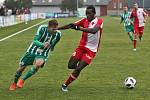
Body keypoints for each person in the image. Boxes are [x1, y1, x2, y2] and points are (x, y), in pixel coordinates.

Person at [57, 5, 103, 92]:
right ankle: (77, 71)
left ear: (94, 13)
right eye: (86, 13)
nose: (87, 15)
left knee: (78, 68)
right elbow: (71, 25)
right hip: (81, 47)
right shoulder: (84, 20)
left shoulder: (99, 21)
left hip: (91, 50)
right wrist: (57, 29)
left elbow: (94, 31)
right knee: (70, 65)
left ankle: (65, 85)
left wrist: (80, 28)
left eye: (89, 13)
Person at [9, 19, 61, 90]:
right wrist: (42, 44)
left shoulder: (58, 34)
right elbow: (35, 41)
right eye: (53, 29)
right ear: (48, 27)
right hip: (32, 50)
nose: (55, 30)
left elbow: (54, 42)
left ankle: (22, 80)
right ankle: (14, 83)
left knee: (38, 64)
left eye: (56, 28)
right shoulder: (42, 28)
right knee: (21, 68)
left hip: (43, 52)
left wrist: (51, 47)